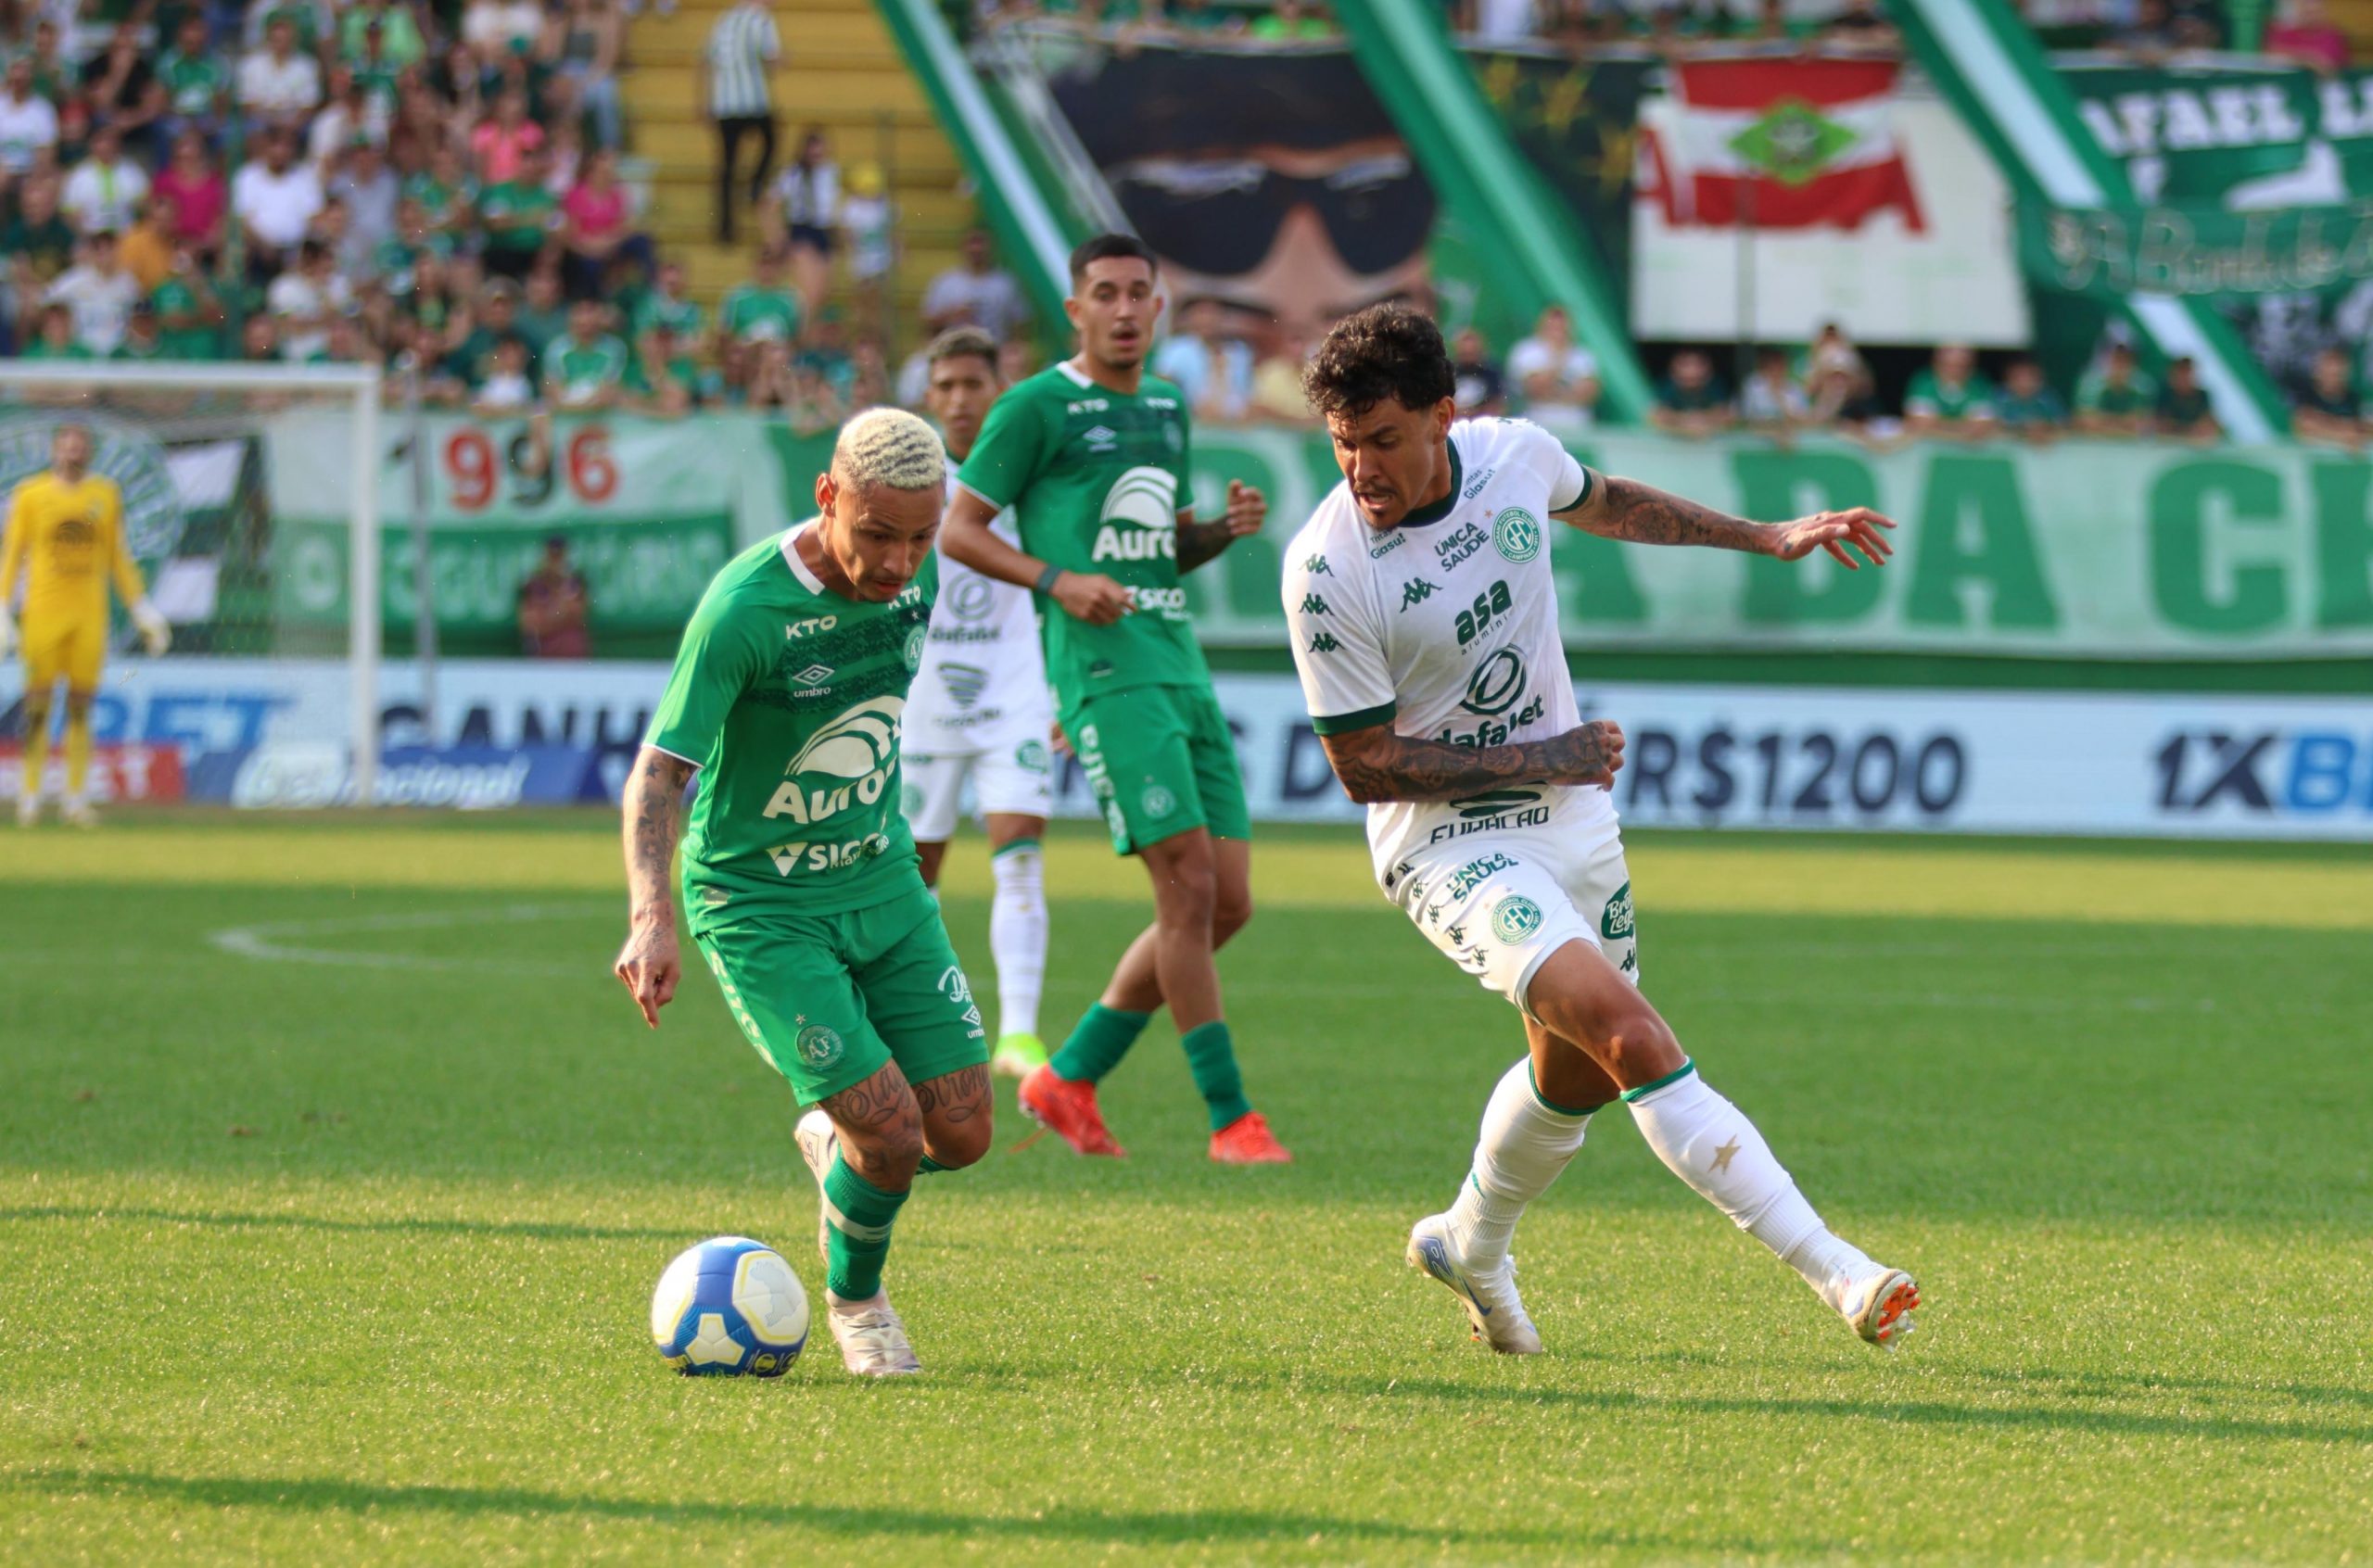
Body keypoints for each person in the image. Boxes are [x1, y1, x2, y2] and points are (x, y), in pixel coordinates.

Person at [1278, 304, 1920, 1357]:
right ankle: (1840, 1272)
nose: (1361, 469)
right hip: (1448, 844)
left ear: (1444, 415)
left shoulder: (1514, 459)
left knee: (1572, 1073)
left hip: (1571, 818)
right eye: (1343, 444)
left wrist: (1764, 536)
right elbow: (1362, 766)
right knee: (1629, 1036)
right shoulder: (1326, 569)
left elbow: (1611, 501)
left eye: (1382, 439)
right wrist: (1548, 757)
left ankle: (1469, 1242)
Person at [613, 408, 992, 1378]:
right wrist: (652, 917)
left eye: (920, 535)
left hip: (881, 878)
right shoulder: (746, 609)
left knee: (962, 1132)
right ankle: (858, 1303)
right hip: (760, 904)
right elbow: (659, 775)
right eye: (877, 535)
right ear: (827, 497)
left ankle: (843, 1146)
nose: (902, 562)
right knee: (896, 1135)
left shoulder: (920, 568)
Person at [942, 233, 1290, 1165]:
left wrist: (1216, 531)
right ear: (1076, 310)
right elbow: (959, 530)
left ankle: (1068, 1076)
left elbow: (1152, 546)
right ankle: (1231, 1119)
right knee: (1186, 886)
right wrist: (1057, 581)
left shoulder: (1168, 409)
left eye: (1140, 293)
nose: (1126, 309)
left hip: (1178, 665)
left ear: (1159, 306)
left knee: (1228, 903)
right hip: (1103, 674)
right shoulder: (1034, 408)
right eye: (1106, 293)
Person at [902, 327, 1057, 1080]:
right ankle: (907, 1022)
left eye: (973, 384)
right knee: (912, 875)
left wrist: (1064, 689)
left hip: (1015, 693)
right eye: (946, 387)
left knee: (1020, 857)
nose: (960, 400)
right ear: (929, 398)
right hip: (924, 700)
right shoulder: (906, 475)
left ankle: (1019, 1037)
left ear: (1001, 385)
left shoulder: (1029, 474)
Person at [2, 423, 173, 828]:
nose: (72, 453)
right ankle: (30, 796)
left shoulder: (104, 496)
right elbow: (13, 553)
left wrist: (141, 608)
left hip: (88, 617)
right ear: (54, 450)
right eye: (66, 446)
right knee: (39, 708)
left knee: (81, 709)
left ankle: (75, 800)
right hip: (43, 614)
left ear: (88, 452)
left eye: (79, 447)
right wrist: (3, 605)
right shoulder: (31, 495)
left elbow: (118, 557)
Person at [704, 0, 780, 243]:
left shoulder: (724, 19)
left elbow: (709, 61)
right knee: (770, 140)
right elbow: (771, 59)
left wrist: (706, 100)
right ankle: (755, 184)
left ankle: (725, 227)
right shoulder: (762, 20)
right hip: (753, 102)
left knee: (727, 165)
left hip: (725, 104)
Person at [921, 228, 1029, 343]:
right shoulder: (946, 282)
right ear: (963, 247)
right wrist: (951, 315)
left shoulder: (1005, 283)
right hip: (955, 353)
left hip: (994, 350)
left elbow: (1019, 323)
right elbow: (927, 321)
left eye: (980, 243)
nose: (976, 249)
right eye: (972, 243)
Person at [1506, 305, 1600, 426]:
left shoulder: (1583, 355)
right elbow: (1535, 390)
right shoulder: (1526, 351)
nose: (1558, 331)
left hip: (1577, 423)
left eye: (1561, 327)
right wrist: (1558, 359)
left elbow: (1588, 393)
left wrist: (1554, 393)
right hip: (1538, 421)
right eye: (1553, 326)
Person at [61, 127, 150, 238]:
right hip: (91, 237)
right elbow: (70, 215)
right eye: (101, 142)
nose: (106, 147)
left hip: (126, 237)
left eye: (110, 142)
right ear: (92, 145)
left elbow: (144, 207)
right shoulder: (78, 176)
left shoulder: (133, 172)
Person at [517, 535, 591, 656]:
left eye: (559, 556)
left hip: (574, 659)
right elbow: (530, 624)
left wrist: (552, 614)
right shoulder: (532, 584)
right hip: (543, 659)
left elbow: (580, 615)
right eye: (552, 556)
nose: (555, 562)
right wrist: (561, 615)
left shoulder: (576, 582)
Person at [2075, 342, 2156, 436]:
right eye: (2116, 359)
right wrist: (2123, 423)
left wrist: (2105, 421)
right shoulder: (2089, 384)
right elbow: (2088, 422)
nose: (2120, 365)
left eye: (2125, 359)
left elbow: (2142, 423)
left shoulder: (2144, 386)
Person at [1650, 348, 1733, 436]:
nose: (1692, 369)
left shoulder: (1716, 385)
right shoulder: (1667, 385)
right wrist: (1684, 420)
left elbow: (1727, 415)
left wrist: (1702, 419)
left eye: (1698, 364)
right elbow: (1656, 415)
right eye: (1685, 364)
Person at [2291, 346, 2363, 446]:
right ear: (2317, 373)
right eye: (2329, 374)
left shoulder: (2353, 399)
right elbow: (2305, 423)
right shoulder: (2306, 395)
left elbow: (2366, 427)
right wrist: (2343, 433)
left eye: (2337, 375)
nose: (2333, 380)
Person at [1994, 358, 2069, 443]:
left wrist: (2046, 430)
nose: (2024, 384)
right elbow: (1992, 428)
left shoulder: (2048, 398)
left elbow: (2063, 425)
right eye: (2017, 379)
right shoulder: (1999, 398)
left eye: (2031, 379)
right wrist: (2022, 432)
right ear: (2008, 381)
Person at [2155, 356, 2220, 442]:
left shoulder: (2202, 395)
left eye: (2187, 372)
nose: (2184, 377)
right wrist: (2187, 430)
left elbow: (2207, 422)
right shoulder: (2165, 394)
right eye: (2181, 372)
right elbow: (2161, 425)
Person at [1449, 327, 1505, 416]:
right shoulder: (1448, 373)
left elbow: (1497, 403)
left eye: (1472, 353)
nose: (1469, 359)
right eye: (1465, 354)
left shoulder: (1491, 373)